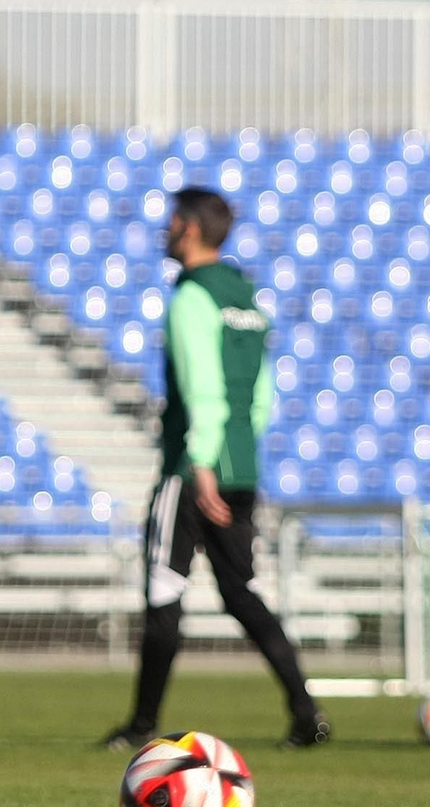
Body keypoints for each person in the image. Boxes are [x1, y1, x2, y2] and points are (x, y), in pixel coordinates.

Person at [100, 187, 329, 751]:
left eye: (171, 222)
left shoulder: (191, 297)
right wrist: (235, 454)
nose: (165, 231)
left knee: (163, 588)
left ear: (188, 227)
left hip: (191, 468)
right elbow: (261, 394)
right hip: (242, 466)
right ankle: (306, 714)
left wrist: (200, 461)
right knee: (243, 591)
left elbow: (202, 385)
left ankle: (141, 725)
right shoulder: (248, 299)